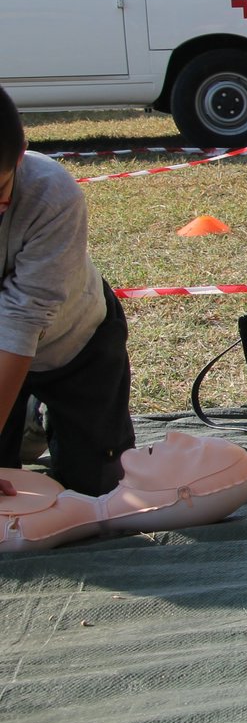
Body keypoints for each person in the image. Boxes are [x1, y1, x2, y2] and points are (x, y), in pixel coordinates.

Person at [0, 85, 133, 499]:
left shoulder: (53, 194)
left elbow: (20, 323)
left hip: (76, 342)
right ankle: (24, 421)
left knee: (98, 489)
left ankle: (39, 416)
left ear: (21, 154)